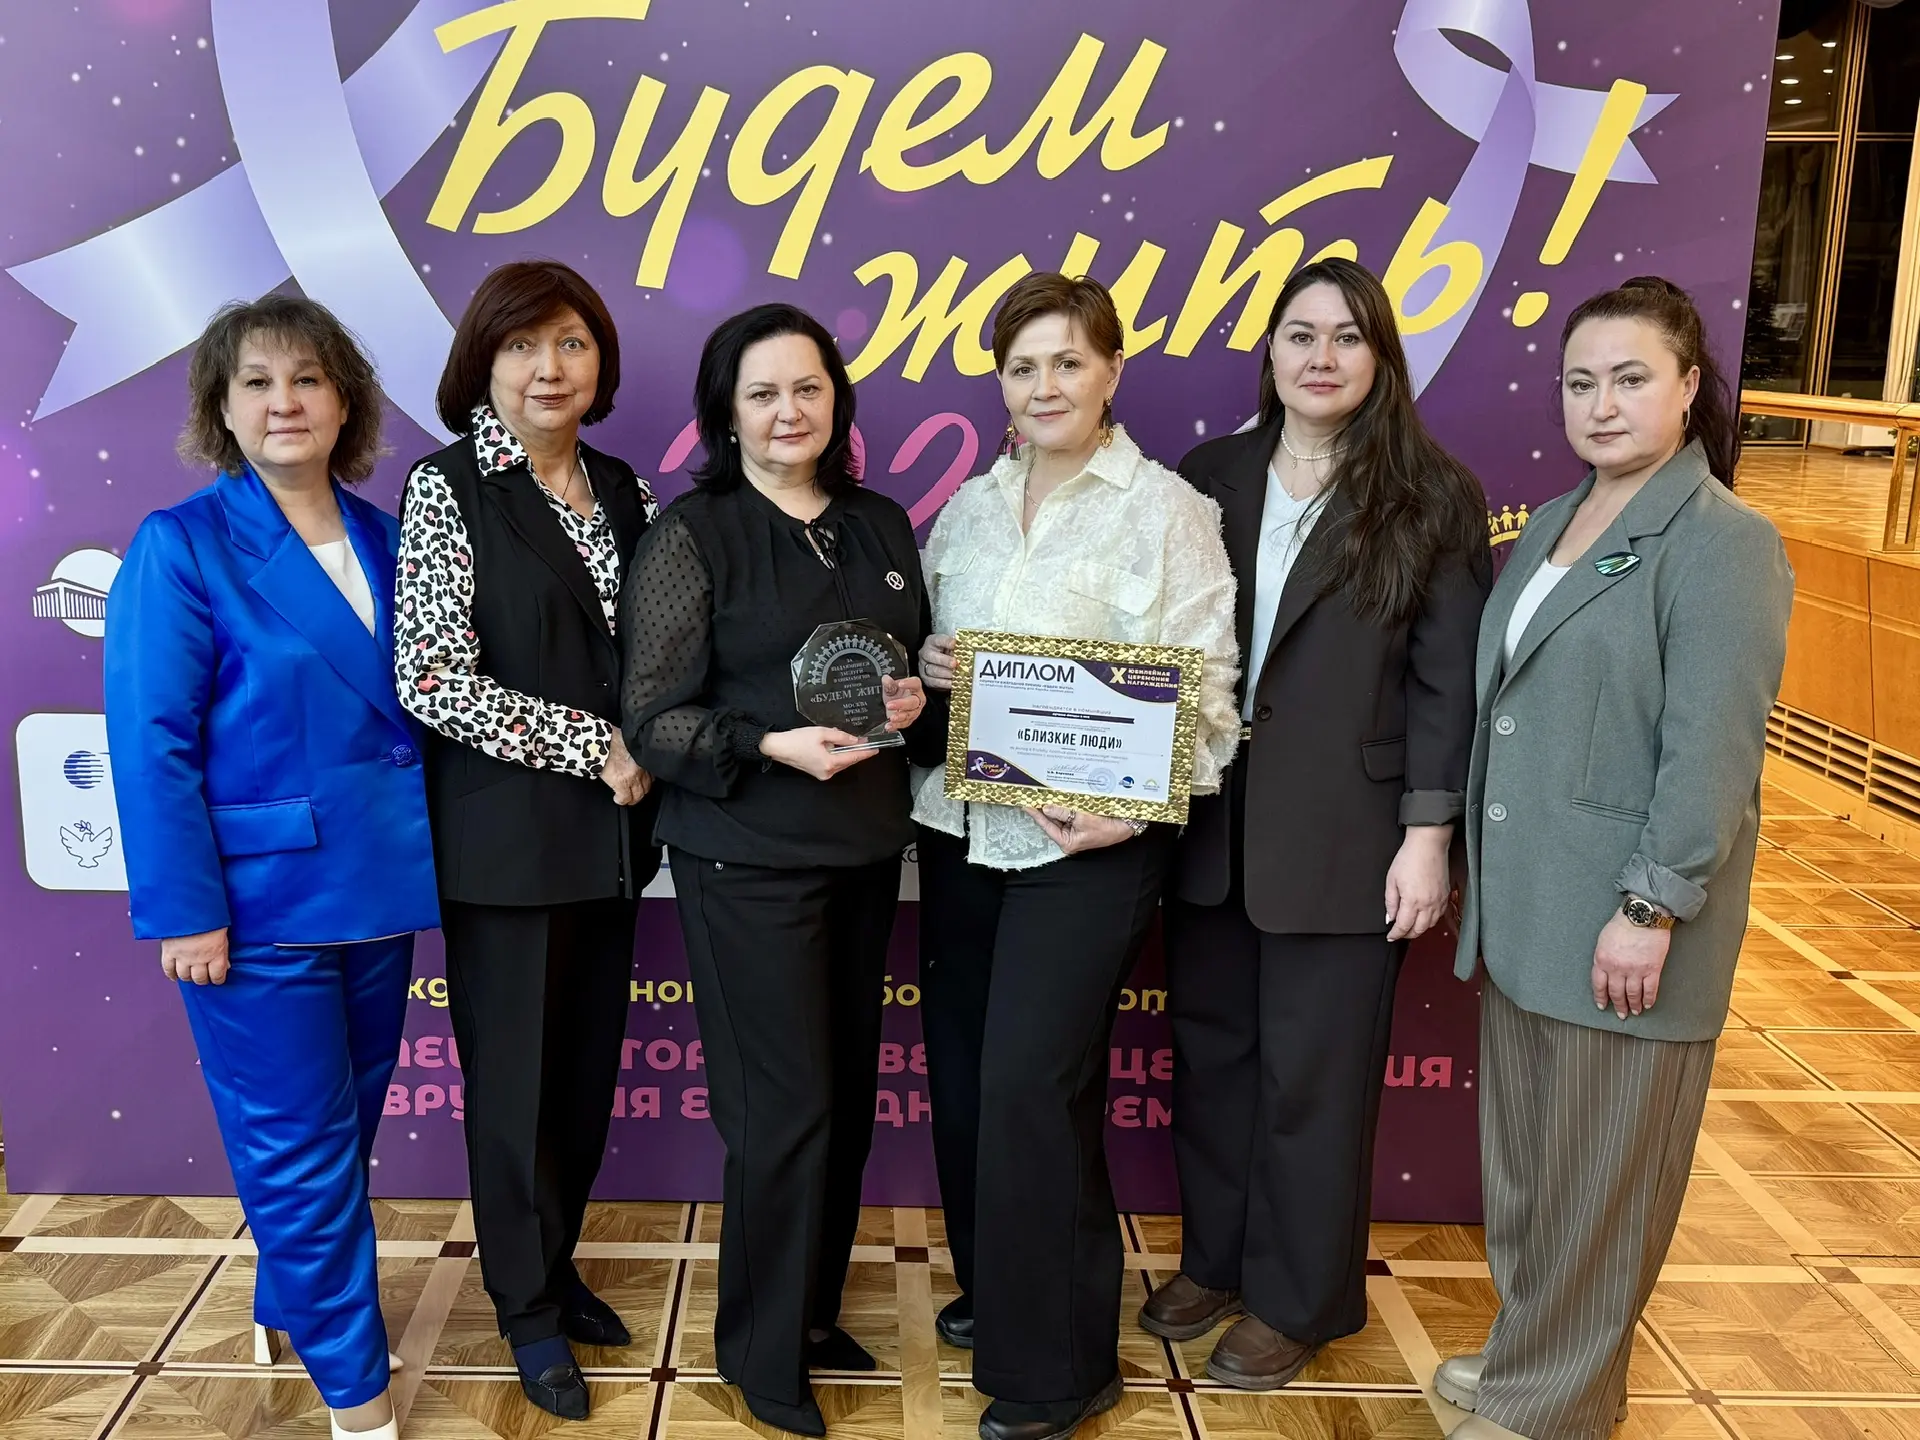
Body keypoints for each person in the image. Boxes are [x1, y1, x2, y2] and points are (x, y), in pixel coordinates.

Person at [1438, 278, 1793, 1440]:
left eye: (1630, 379)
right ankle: (1530, 1361)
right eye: (1580, 382)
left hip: (1624, 921)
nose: (1600, 404)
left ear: (1689, 387)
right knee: (1531, 1175)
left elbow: (1712, 752)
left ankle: (1554, 1406)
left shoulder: (1725, 543)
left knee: (1602, 1184)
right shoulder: (1554, 519)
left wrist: (1652, 904)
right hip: (1529, 907)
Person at [1142, 257, 1490, 1387]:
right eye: (1301, 334)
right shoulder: (1210, 475)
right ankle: (1219, 1261)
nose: (1322, 357)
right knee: (1216, 1063)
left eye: (1347, 336)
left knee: (1316, 1083)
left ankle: (1299, 1299)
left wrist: (1428, 837)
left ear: (1380, 356)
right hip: (1210, 831)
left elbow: (1447, 685)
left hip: (1352, 838)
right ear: (1271, 352)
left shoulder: (1432, 494)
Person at [104, 296, 439, 1440]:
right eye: (256, 382)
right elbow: (149, 742)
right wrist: (185, 911)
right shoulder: (182, 544)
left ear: (345, 401)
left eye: (306, 378)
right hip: (256, 913)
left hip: (380, 892)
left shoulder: (392, 538)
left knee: (341, 1136)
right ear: (223, 407)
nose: (283, 401)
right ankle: (358, 1396)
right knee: (299, 1153)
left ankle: (287, 1306)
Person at [914, 272, 1239, 1440]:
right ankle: (1002, 1292)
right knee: (968, 1084)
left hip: (1089, 849)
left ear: (1111, 372)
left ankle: (1060, 1366)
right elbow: (939, 661)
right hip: (959, 832)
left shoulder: (1167, 511)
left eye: (1067, 361)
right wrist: (935, 667)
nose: (1044, 385)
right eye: (1022, 366)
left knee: (1032, 1090)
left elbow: (1211, 697)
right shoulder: (968, 510)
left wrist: (1136, 813)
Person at [620, 303, 929, 1437]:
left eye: (807, 388)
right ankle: (758, 1351)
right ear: (726, 413)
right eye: (762, 394)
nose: (788, 411)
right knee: (781, 1111)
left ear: (836, 400)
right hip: (744, 863)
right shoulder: (693, 534)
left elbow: (907, 684)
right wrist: (766, 745)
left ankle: (807, 1314)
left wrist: (916, 700)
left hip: (862, 855)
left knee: (839, 1104)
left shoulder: (880, 525)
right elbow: (652, 719)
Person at [394, 260, 659, 1422]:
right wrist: (594, 745)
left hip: (615, 844)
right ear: (483, 362)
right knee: (513, 1090)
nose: (549, 368)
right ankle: (526, 1311)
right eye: (522, 345)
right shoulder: (447, 488)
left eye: (572, 344)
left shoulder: (626, 487)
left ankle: (554, 1267)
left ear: (599, 362)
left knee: (582, 1080)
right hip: (507, 848)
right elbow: (431, 677)